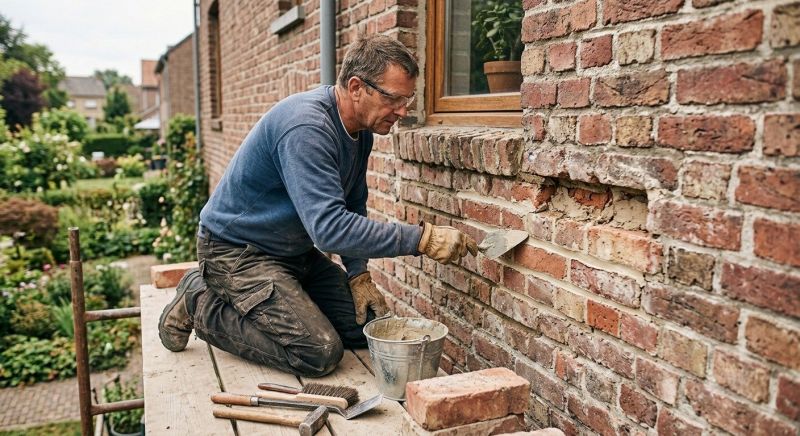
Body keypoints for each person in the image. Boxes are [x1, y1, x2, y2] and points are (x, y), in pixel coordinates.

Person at [157, 35, 478, 377]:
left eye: (408, 98)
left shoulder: (360, 131)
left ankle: (266, 300)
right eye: (394, 98)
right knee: (319, 352)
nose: (403, 110)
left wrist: (358, 273)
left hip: (290, 254)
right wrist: (421, 239)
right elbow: (329, 229)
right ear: (356, 87)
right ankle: (199, 300)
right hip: (236, 252)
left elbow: (352, 204)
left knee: (364, 328)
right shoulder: (307, 128)